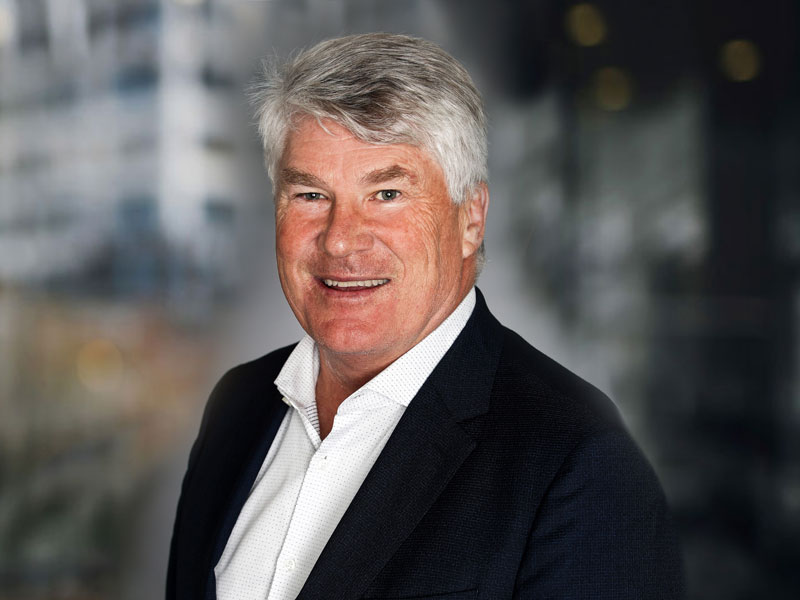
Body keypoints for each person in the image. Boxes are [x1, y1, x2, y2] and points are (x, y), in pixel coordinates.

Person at [166, 33, 685, 600]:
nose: (340, 240)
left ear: (471, 218)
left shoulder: (581, 465)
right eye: (310, 195)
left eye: (387, 193)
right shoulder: (236, 407)